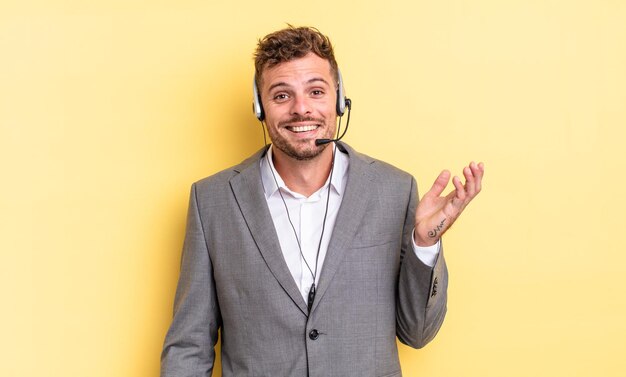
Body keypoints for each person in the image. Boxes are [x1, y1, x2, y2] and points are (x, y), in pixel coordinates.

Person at [161, 26, 484, 377]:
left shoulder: (394, 190)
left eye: (316, 91)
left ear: (339, 98)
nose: (302, 110)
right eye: (282, 96)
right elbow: (188, 347)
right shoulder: (213, 201)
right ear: (259, 107)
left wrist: (425, 243)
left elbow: (417, 333)